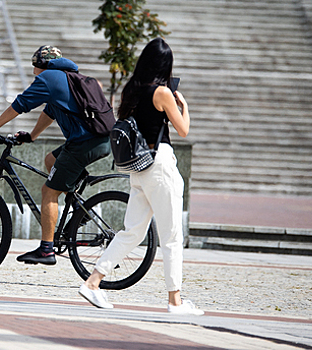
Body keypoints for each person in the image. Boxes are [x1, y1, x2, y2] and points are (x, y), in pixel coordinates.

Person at [78, 38, 204, 315]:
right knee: (171, 237)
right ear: (165, 65)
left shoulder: (131, 90)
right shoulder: (163, 93)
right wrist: (184, 105)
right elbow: (183, 130)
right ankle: (175, 301)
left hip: (138, 166)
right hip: (159, 165)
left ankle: (92, 283)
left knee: (132, 231)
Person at [0, 45, 111, 265]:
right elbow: (49, 113)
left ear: (43, 66)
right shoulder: (69, 78)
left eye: (35, 68)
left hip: (83, 144)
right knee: (51, 160)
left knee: (49, 192)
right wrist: (31, 136)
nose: (33, 74)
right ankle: (79, 209)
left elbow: (19, 105)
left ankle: (46, 250)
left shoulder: (49, 78)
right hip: (102, 140)